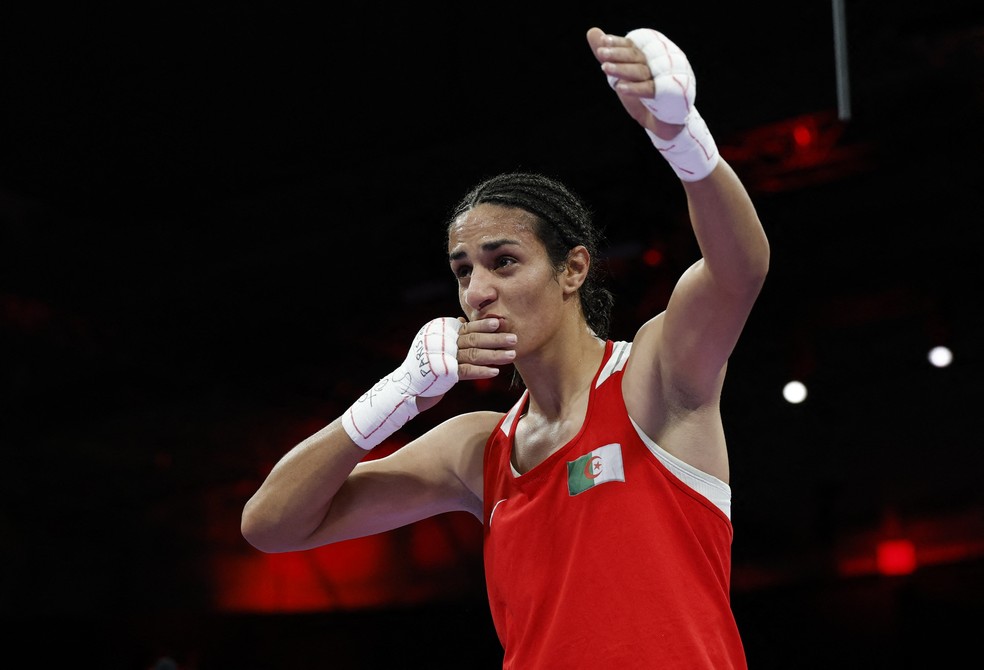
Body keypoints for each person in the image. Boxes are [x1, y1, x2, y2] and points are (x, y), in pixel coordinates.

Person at [241, 25, 769, 669]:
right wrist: (396, 395)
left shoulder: (654, 376)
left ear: (572, 270)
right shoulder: (475, 450)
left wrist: (682, 138)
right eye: (463, 271)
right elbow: (270, 525)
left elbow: (738, 269)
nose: (478, 291)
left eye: (504, 262)